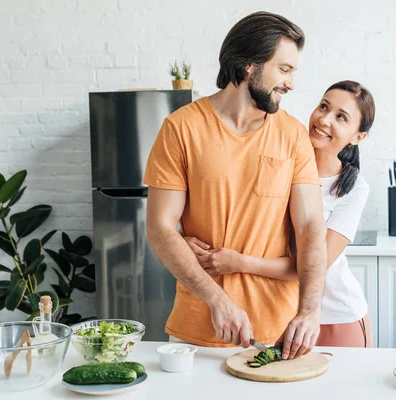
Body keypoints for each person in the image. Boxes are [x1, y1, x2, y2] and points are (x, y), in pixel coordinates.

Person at [143, 11, 327, 359]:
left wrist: (309, 312)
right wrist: (218, 301)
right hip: (198, 333)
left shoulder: (291, 135)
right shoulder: (181, 128)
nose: (291, 84)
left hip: (278, 337)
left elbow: (310, 227)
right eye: (284, 70)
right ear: (249, 66)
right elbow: (160, 228)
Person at [187, 80, 375, 347]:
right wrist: (182, 238)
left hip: (335, 316)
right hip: (279, 313)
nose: (324, 119)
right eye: (323, 106)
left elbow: (312, 264)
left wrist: (239, 262)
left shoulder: (353, 188)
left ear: (358, 137)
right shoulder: (283, 160)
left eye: (341, 117)